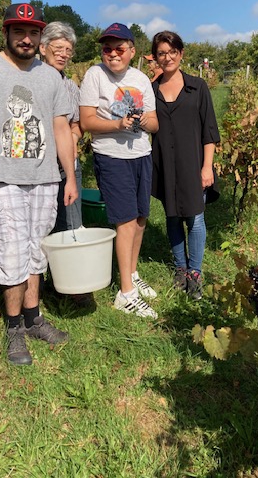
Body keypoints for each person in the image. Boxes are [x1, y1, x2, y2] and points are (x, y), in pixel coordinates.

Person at [0, 3, 78, 365]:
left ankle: (33, 317)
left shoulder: (50, 77)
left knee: (36, 251)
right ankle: (14, 330)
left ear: (41, 37)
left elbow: (60, 129)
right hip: (4, 180)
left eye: (33, 32)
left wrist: (69, 175)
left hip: (45, 179)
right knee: (11, 254)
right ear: (6, 33)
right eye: (18, 32)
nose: (26, 39)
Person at [79, 23, 159, 318]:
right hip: (111, 157)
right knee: (124, 221)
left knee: (139, 219)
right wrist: (117, 124)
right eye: (107, 49)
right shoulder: (94, 75)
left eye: (119, 49)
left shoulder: (141, 78)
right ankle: (125, 294)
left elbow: (155, 122)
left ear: (131, 51)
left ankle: (132, 273)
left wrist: (141, 122)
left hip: (141, 153)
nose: (113, 54)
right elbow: (86, 121)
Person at [150, 30, 220, 300]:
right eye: (161, 53)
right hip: (164, 162)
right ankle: (180, 267)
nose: (167, 58)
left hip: (193, 162)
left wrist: (207, 167)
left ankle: (195, 272)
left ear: (181, 53)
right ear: (155, 57)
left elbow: (209, 130)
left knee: (195, 217)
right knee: (172, 215)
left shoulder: (197, 87)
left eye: (172, 52)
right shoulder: (152, 90)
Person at [39, 21, 92, 307]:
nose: (63, 54)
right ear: (43, 48)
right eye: (57, 48)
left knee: (71, 221)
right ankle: (43, 280)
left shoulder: (70, 86)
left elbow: (77, 123)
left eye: (68, 50)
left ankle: (71, 283)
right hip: (40, 164)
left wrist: (72, 135)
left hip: (68, 163)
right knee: (43, 223)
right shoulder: (32, 79)